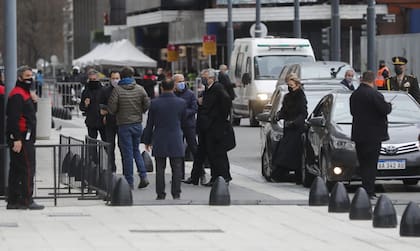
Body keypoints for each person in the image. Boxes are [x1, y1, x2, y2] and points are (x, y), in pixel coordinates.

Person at [6, 65, 44, 210]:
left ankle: (14, 199)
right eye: (27, 77)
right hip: (22, 137)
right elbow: (13, 119)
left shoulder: (25, 93)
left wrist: (34, 102)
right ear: (20, 78)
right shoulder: (18, 94)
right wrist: (16, 138)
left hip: (25, 137)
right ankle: (27, 199)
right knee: (27, 168)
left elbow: (30, 114)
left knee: (17, 168)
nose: (30, 79)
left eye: (31, 76)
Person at [350, 71, 392, 199]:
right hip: (373, 136)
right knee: (371, 164)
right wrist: (389, 105)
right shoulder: (374, 94)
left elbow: (352, 112)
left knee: (363, 164)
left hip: (359, 135)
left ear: (362, 79)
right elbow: (385, 109)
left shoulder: (354, 95)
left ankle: (365, 189)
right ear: (373, 80)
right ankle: (369, 191)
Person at [143, 80, 187, 200]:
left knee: (160, 168)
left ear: (161, 87)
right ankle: (176, 193)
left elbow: (150, 123)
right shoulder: (181, 102)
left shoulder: (154, 103)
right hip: (176, 137)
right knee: (177, 167)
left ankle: (160, 193)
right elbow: (184, 121)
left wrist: (147, 140)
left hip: (159, 137)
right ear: (174, 87)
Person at [108, 66, 150, 189]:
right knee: (136, 150)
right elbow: (147, 104)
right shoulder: (140, 89)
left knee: (127, 154)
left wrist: (117, 112)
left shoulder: (117, 90)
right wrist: (140, 111)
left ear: (122, 76)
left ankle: (129, 182)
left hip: (124, 124)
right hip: (137, 124)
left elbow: (112, 109)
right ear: (132, 75)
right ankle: (143, 176)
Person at [197, 69, 233, 186]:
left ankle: (222, 177)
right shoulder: (209, 89)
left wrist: (220, 118)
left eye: (205, 77)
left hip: (216, 126)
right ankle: (216, 177)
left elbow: (226, 101)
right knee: (212, 153)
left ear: (211, 78)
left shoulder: (217, 88)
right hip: (209, 127)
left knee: (218, 153)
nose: (203, 80)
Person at [273, 73, 308, 183]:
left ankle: (295, 175)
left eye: (291, 85)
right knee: (284, 151)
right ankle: (281, 173)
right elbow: (284, 110)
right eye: (288, 84)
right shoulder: (287, 97)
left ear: (297, 84)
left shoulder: (300, 96)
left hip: (297, 128)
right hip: (288, 128)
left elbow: (303, 113)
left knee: (293, 152)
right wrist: (279, 115)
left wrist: (294, 122)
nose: (290, 87)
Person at [173, 74, 198, 180]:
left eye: (182, 81)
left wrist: (183, 113)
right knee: (179, 150)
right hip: (177, 125)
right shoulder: (172, 94)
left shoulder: (190, 94)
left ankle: (199, 173)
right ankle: (180, 174)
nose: (181, 83)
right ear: (174, 83)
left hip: (189, 125)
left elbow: (194, 108)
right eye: (179, 81)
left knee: (194, 148)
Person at [99, 70, 121, 173]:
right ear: (110, 79)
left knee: (122, 146)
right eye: (113, 78)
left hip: (121, 122)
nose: (115, 80)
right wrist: (104, 113)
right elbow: (102, 105)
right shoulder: (105, 91)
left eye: (117, 78)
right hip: (109, 122)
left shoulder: (122, 90)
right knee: (110, 146)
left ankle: (124, 168)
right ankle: (112, 167)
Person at [79, 69, 106, 141]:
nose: (92, 81)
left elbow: (108, 105)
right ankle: (93, 153)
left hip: (102, 121)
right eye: (90, 79)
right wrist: (85, 105)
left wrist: (106, 115)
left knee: (106, 142)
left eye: (94, 79)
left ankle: (107, 152)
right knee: (91, 144)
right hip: (91, 121)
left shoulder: (104, 90)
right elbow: (81, 107)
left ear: (98, 79)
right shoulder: (86, 91)